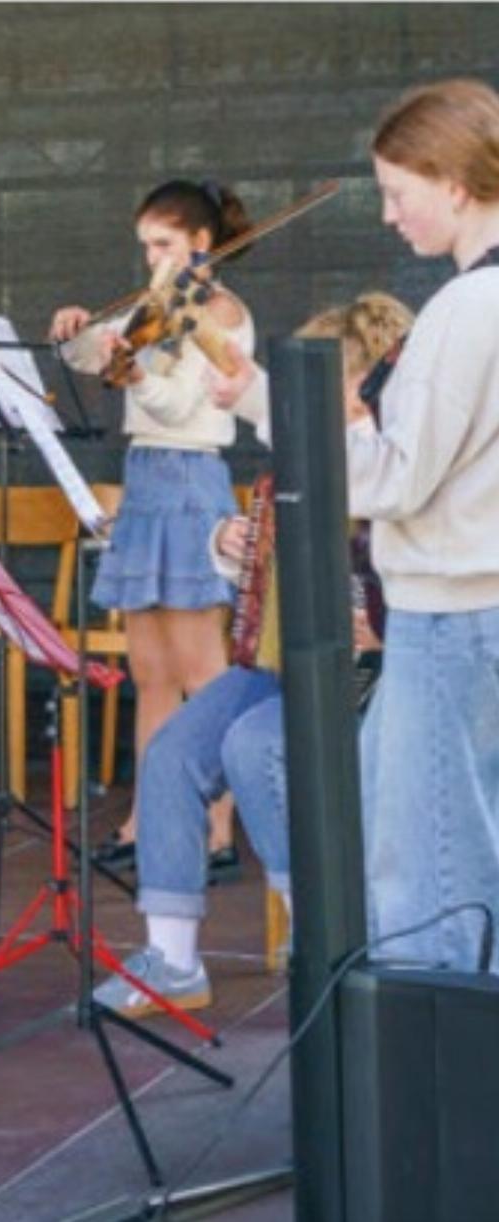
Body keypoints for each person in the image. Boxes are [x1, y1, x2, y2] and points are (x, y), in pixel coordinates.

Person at [93, 294, 411, 1016]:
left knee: (253, 745)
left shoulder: (398, 468)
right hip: (288, 669)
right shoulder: (303, 462)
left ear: (366, 387)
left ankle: (323, 934)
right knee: (172, 751)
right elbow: (267, 578)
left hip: (369, 680)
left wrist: (386, 629)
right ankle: (173, 961)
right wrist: (230, 549)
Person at [49, 180, 259, 879]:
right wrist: (79, 332)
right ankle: (149, 818)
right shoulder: (152, 308)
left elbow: (172, 404)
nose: (151, 260)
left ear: (202, 244)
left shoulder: (222, 314)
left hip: (191, 482)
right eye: (145, 247)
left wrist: (131, 371)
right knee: (153, 673)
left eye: (164, 245)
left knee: (204, 672)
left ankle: (219, 828)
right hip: (145, 482)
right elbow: (93, 359)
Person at [348, 77, 499, 974]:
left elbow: (396, 479)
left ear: (453, 180)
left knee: (429, 879)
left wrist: (274, 410)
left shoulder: (464, 309)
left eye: (396, 192)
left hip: (452, 618)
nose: (387, 215)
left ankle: (435, 1100)